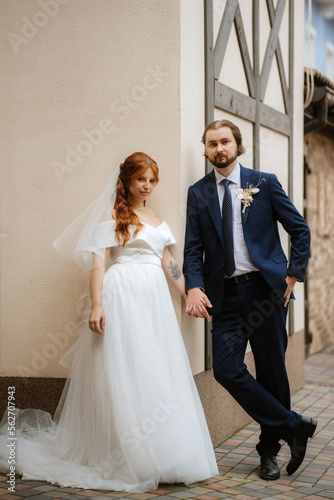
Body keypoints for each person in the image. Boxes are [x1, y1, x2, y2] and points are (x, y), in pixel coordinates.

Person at [0, 152, 218, 492]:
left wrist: (189, 292)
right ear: (128, 180)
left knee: (153, 367)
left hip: (154, 301)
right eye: (141, 179)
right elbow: (98, 264)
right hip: (122, 296)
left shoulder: (156, 218)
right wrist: (97, 304)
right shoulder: (112, 214)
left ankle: (164, 453)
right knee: (124, 368)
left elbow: (168, 263)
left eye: (151, 180)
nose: (147, 186)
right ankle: (125, 455)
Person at [183, 120, 317, 481]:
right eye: (211, 144)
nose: (218, 149)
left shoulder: (264, 182)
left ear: (237, 145)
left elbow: (299, 229)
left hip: (265, 292)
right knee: (227, 369)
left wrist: (292, 274)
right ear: (206, 149)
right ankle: (293, 425)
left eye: (224, 141)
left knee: (272, 371)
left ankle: (268, 453)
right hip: (223, 297)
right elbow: (193, 249)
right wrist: (193, 285)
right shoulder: (199, 193)